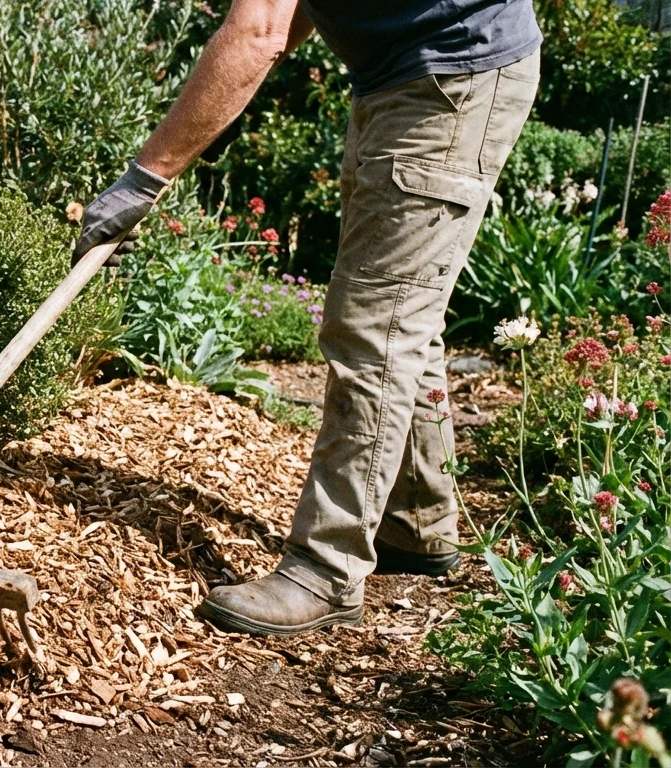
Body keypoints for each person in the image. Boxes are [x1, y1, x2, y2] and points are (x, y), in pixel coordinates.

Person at [73, 0, 541, 636]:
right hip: (409, 75)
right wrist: (228, 96)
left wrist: (142, 181)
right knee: (403, 307)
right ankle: (417, 519)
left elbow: (259, 28)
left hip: (449, 77)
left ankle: (326, 568)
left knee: (374, 329)